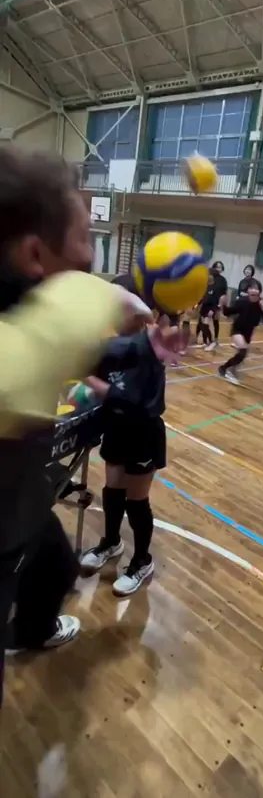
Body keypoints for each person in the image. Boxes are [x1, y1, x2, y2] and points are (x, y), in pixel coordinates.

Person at [0, 146, 152, 706]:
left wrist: (134, 341)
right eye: (87, 235)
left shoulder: (22, 311)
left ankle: (34, 629)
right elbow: (43, 345)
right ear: (36, 253)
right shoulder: (18, 352)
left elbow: (60, 339)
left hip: (20, 505)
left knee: (56, 561)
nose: (94, 251)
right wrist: (115, 297)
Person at [78, 314, 170, 596]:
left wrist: (90, 381)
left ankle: (142, 561)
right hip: (116, 429)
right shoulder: (109, 348)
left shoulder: (151, 351)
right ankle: (111, 542)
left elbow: (136, 402)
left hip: (143, 432)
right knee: (112, 490)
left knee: (136, 501)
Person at [218, 283, 263, 385]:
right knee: (242, 350)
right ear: (248, 291)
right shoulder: (242, 301)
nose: (253, 291)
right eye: (251, 288)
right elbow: (228, 312)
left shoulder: (261, 304)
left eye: (256, 289)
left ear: (259, 292)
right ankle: (226, 370)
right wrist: (223, 305)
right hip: (237, 330)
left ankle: (227, 368)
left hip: (248, 332)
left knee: (242, 355)